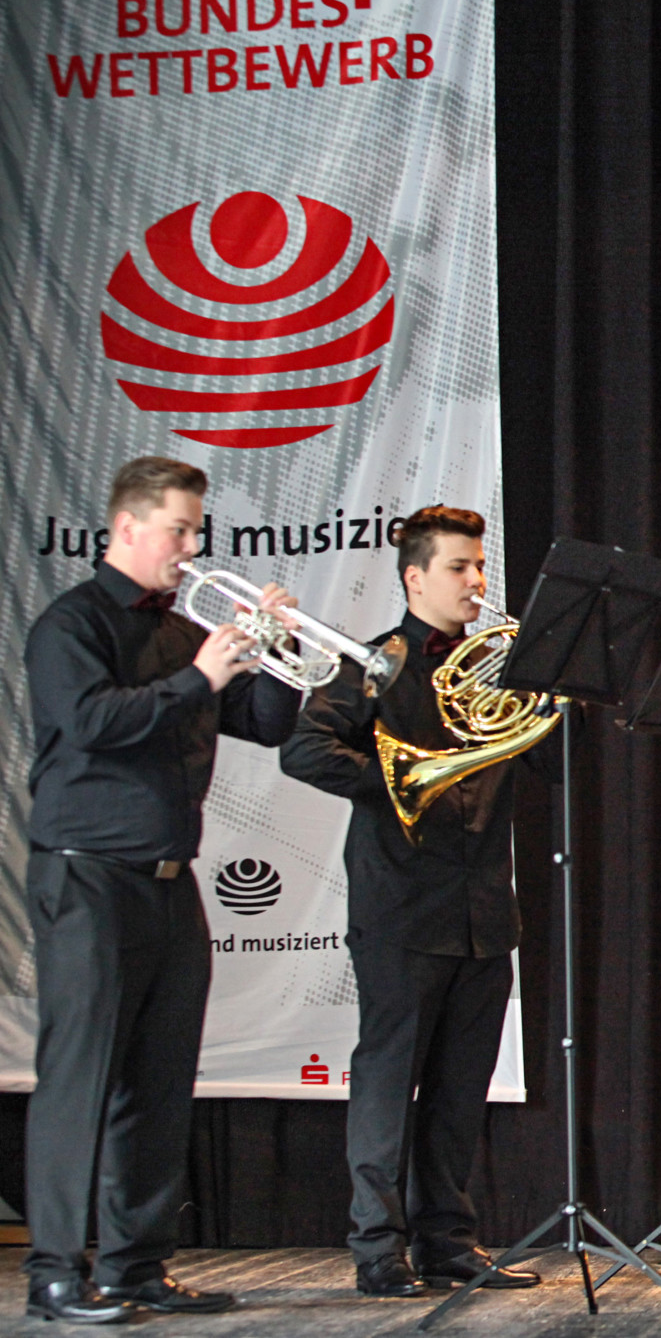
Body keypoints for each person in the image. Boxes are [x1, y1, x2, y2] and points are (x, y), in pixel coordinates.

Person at [22, 457, 301, 1323]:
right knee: (81, 1077)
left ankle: (137, 1267)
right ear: (128, 528)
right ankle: (55, 1273)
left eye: (196, 532)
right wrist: (203, 677)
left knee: (160, 1075)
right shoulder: (70, 625)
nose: (191, 550)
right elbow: (94, 721)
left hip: (169, 880)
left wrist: (277, 649)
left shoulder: (185, 636)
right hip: (89, 872)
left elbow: (265, 724)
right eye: (179, 530)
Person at [281, 506, 553, 1298]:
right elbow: (304, 750)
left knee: (460, 1090)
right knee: (388, 1083)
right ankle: (377, 1248)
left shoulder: (501, 669)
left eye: (479, 567)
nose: (476, 582)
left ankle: (448, 1243)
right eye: (460, 568)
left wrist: (559, 698)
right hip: (401, 908)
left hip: (484, 912)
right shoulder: (373, 663)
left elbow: (550, 771)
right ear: (414, 577)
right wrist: (397, 787)